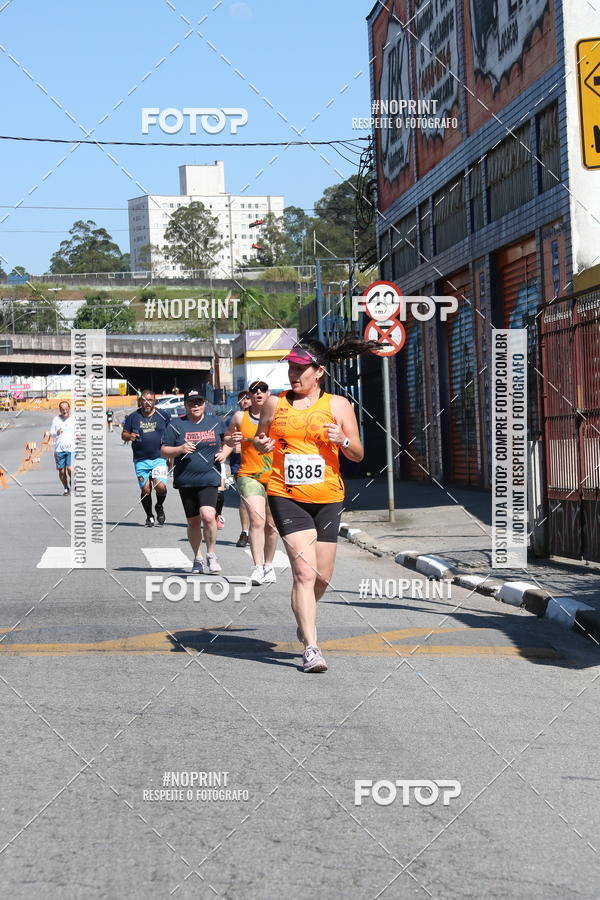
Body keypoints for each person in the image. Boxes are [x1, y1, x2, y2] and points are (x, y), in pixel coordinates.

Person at [255, 336, 373, 673]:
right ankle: (311, 647)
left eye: (300, 369)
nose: (293, 374)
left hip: (328, 497)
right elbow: (262, 438)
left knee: (322, 577)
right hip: (285, 494)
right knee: (304, 573)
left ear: (318, 371)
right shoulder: (274, 405)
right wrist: (262, 445)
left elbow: (358, 454)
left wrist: (343, 439)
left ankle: (303, 613)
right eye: (291, 368)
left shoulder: (338, 406)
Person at [161, 389, 227, 575]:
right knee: (192, 522)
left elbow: (228, 441)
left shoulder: (215, 422)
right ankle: (197, 557)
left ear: (205, 403)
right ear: (186, 405)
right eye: (192, 402)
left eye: (199, 402)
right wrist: (180, 448)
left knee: (208, 516)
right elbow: (164, 450)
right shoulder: (176, 424)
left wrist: (226, 452)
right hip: (186, 479)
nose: (196, 405)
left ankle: (211, 555)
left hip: (209, 477)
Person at [225, 380, 277, 585]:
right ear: (249, 396)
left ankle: (269, 566)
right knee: (257, 520)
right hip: (249, 474)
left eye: (263, 389)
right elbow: (228, 438)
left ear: (268, 393)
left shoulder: (277, 416)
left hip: (274, 475)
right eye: (254, 391)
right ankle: (257, 568)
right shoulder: (240, 417)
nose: (259, 393)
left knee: (272, 525)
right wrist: (231, 441)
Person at [121, 390, 170, 527]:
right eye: (144, 400)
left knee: (160, 486)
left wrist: (170, 449)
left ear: (155, 401)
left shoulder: (163, 415)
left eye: (150, 400)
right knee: (146, 490)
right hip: (140, 459)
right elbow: (123, 434)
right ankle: (149, 516)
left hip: (159, 457)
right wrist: (129, 436)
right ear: (140, 401)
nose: (147, 403)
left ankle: (159, 506)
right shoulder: (133, 417)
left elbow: (172, 432)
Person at [229, 391, 252, 547]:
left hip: (261, 465)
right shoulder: (236, 418)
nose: (245, 401)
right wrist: (232, 441)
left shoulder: (262, 417)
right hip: (240, 465)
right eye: (241, 400)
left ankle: (259, 530)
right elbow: (225, 438)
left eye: (247, 398)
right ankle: (245, 532)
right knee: (245, 499)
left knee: (264, 503)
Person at [50, 400, 75, 495]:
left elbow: (79, 431)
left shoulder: (74, 419)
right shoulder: (56, 419)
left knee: (70, 468)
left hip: (71, 448)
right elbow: (51, 433)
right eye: (63, 409)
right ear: (60, 410)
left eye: (66, 409)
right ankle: (66, 488)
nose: (65, 411)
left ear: (69, 409)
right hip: (59, 449)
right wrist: (56, 433)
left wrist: (79, 436)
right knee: (62, 471)